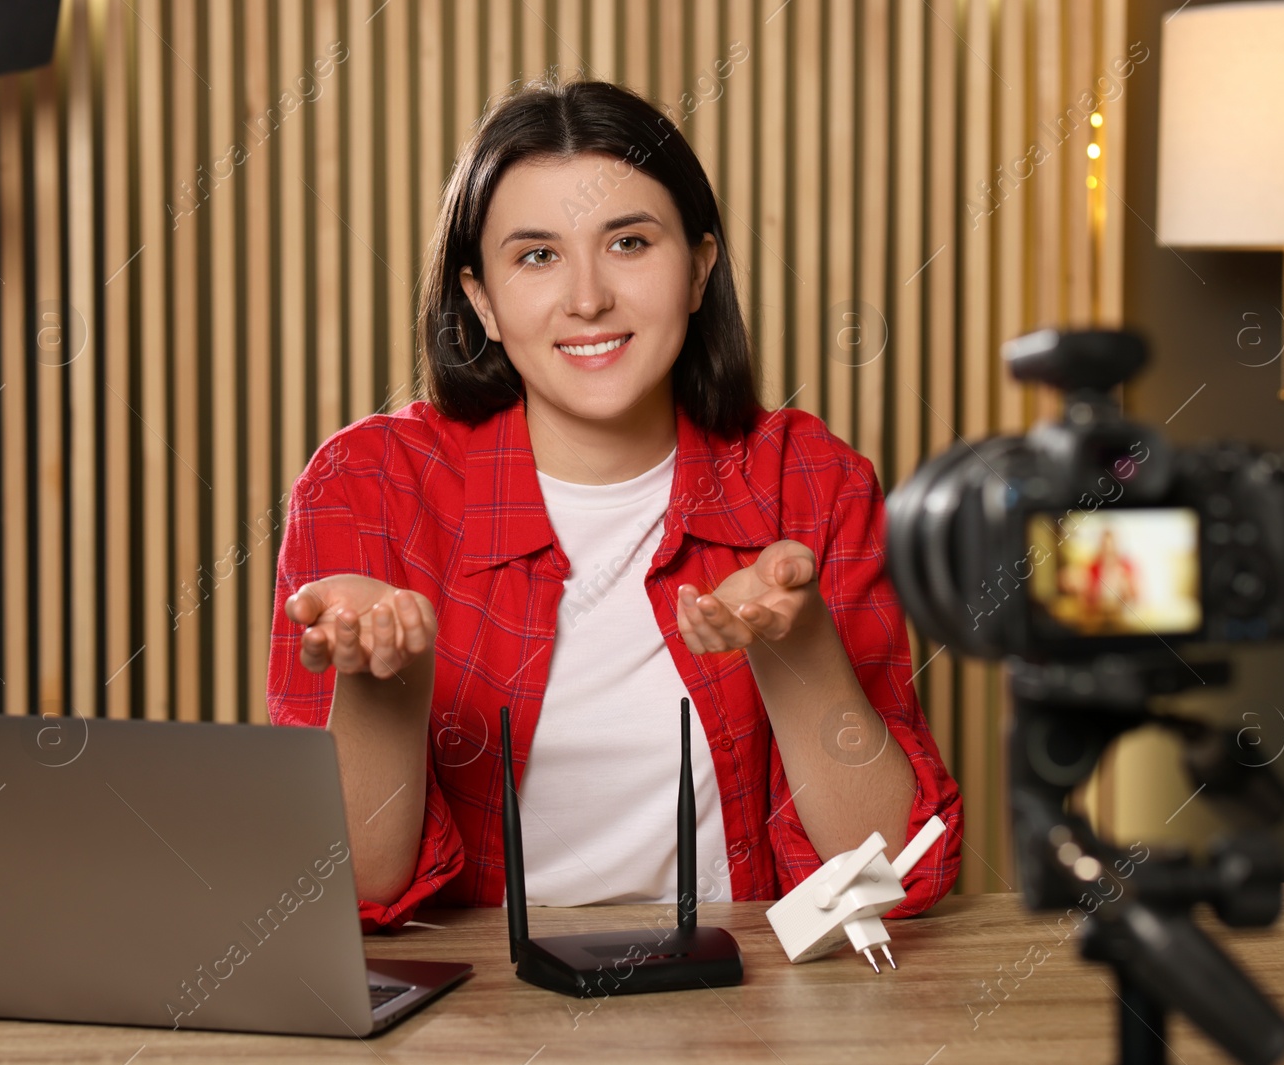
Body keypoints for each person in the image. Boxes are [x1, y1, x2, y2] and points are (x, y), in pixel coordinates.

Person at [266, 78, 961, 932]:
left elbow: (885, 878)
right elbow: (346, 896)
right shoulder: (368, 485)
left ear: (701, 268)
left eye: (629, 242)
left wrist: (801, 648)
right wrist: (382, 682)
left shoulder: (808, 479)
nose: (587, 297)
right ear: (480, 298)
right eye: (536, 256)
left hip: (736, 1020)